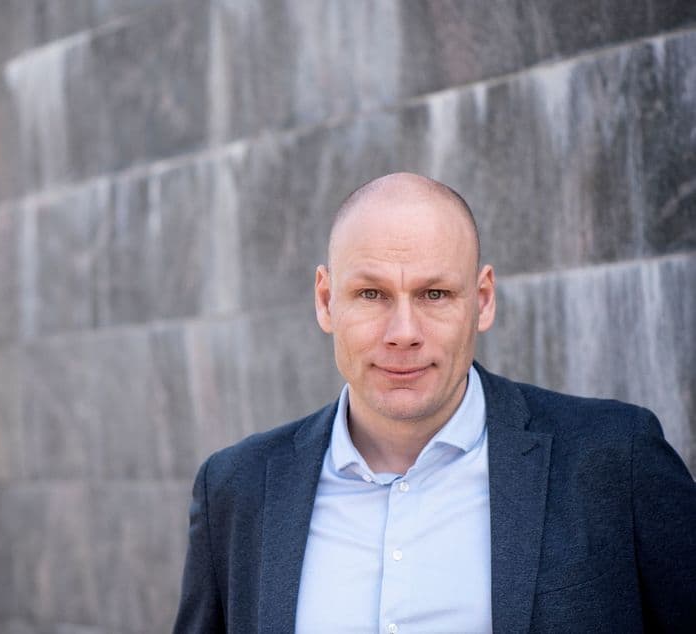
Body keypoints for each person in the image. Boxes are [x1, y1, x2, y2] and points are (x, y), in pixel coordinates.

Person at [172, 172, 696, 633]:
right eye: (372, 294)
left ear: (482, 300)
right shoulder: (236, 490)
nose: (403, 332)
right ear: (326, 300)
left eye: (435, 294)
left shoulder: (616, 459)